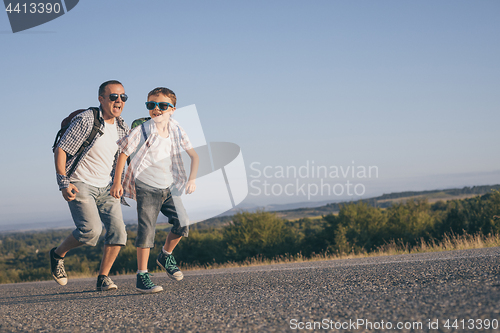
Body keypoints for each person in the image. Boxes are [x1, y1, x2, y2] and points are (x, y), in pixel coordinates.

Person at [111, 87, 199, 294]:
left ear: (173, 109)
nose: (156, 109)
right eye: (151, 105)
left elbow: (194, 156)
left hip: (169, 186)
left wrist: (192, 179)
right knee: (147, 230)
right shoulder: (142, 129)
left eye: (162, 105)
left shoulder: (177, 129)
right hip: (146, 186)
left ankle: (165, 255)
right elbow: (123, 153)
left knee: (182, 222)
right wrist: (117, 183)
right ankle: (142, 275)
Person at [50, 80, 130, 291]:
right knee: (90, 231)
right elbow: (62, 150)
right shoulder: (86, 120)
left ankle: (103, 277)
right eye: (113, 96)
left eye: (123, 97)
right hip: (80, 183)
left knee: (118, 233)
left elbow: (124, 155)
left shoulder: (122, 126)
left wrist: (118, 182)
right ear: (101, 99)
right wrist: (63, 183)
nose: (118, 101)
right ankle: (58, 254)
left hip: (107, 187)